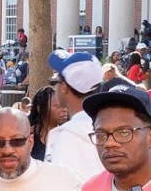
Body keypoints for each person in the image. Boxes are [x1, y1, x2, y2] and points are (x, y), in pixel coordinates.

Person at [43, 51, 105, 181]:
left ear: (64, 87)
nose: (55, 87)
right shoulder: (111, 125)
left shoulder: (64, 136)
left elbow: (59, 186)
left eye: (56, 82)